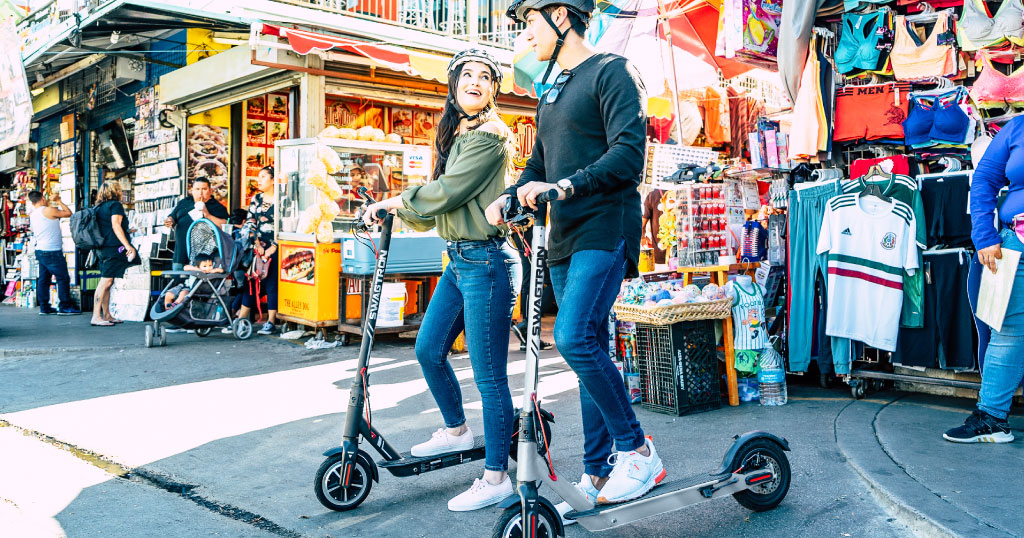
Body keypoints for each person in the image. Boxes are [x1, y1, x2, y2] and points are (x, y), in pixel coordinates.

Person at [488, 0, 661, 511]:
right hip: (561, 236)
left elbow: (629, 155)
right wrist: (512, 193)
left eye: (530, 20)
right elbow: (539, 160)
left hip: (605, 228)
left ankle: (637, 450)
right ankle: (599, 468)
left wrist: (565, 186)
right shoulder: (551, 91)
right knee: (590, 349)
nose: (526, 32)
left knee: (573, 337)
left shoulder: (614, 72)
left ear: (561, 16)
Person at [362, 49, 522, 512]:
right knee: (428, 350)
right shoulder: (460, 132)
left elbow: (447, 193)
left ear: (494, 89)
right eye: (466, 75)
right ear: (453, 85)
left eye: (484, 76)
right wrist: (404, 208)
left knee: (489, 376)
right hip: (459, 260)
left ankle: (496, 478)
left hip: (488, 262)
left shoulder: (490, 135)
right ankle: (457, 430)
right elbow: (443, 203)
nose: (474, 81)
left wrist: (396, 202)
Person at [944, 116, 1024, 444]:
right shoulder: (1017, 127)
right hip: (1013, 244)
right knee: (1003, 329)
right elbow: (984, 180)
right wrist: (984, 235)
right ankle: (991, 418)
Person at [233, 166, 279, 336]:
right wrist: (257, 244)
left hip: (275, 247)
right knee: (251, 282)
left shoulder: (283, 199)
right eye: (258, 177)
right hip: (257, 247)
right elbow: (250, 221)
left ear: (273, 180)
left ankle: (271, 321)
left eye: (263, 177)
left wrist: (274, 246)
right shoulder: (257, 198)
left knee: (271, 284)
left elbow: (287, 223)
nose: (259, 180)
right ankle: (241, 319)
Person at [28, 190, 80, 315]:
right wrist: (58, 200)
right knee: (63, 278)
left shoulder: (33, 214)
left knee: (44, 279)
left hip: (41, 250)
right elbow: (68, 213)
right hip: (51, 251)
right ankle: (64, 306)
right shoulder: (47, 210)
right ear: (41, 199)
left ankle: (44, 307)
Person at [92, 181, 137, 327]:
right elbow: (115, 225)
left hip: (102, 248)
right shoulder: (115, 205)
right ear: (116, 191)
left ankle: (106, 314)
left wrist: (127, 232)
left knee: (108, 281)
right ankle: (96, 316)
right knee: (106, 281)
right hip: (112, 248)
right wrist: (127, 245)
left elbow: (109, 228)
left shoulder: (98, 207)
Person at [164, 178, 229, 271]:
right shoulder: (184, 202)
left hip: (203, 260)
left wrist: (208, 215)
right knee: (178, 282)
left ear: (210, 191)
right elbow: (172, 216)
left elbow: (225, 225)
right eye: (197, 189)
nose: (200, 193)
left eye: (204, 189)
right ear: (192, 191)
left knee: (198, 284)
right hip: (181, 253)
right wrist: (169, 220)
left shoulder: (217, 207)